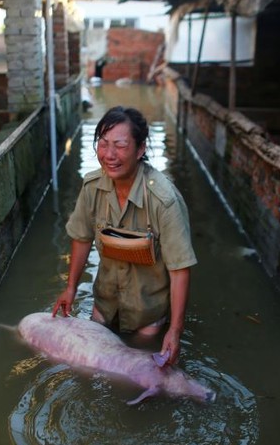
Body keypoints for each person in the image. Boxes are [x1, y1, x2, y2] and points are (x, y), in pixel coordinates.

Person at [52, 106, 197, 366]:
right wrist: (71, 287)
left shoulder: (163, 200)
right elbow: (82, 238)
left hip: (147, 314)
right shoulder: (92, 187)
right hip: (106, 302)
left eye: (120, 145)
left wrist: (175, 331)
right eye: (103, 144)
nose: (109, 155)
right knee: (92, 366)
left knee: (140, 367)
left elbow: (179, 270)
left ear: (140, 149)